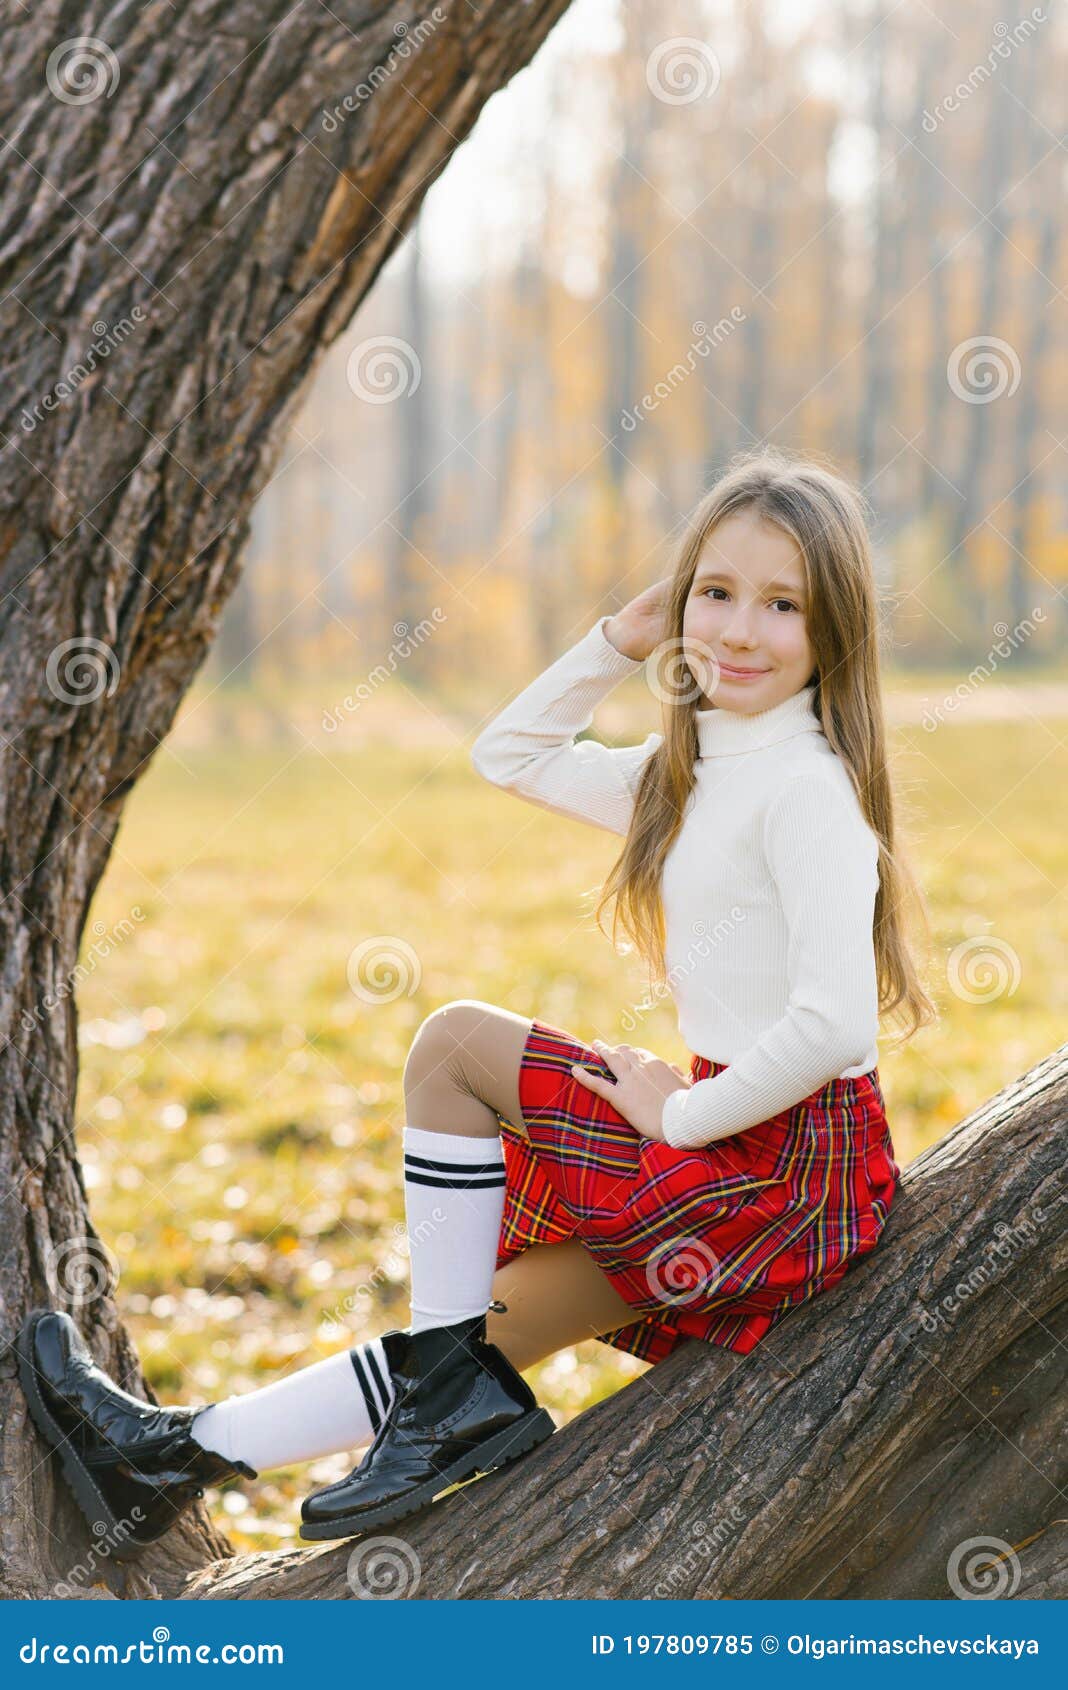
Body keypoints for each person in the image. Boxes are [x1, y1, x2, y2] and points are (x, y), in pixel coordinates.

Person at [17, 446, 937, 1556]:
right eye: (717, 591)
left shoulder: (806, 791)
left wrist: (675, 1117)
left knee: (455, 1045)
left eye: (782, 605)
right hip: (734, 1141)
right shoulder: (689, 774)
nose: (739, 630)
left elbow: (834, 1026)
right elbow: (510, 752)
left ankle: (427, 1401)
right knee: (483, 1325)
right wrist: (618, 637)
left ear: (833, 630)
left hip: (787, 1170)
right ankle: (170, 1457)